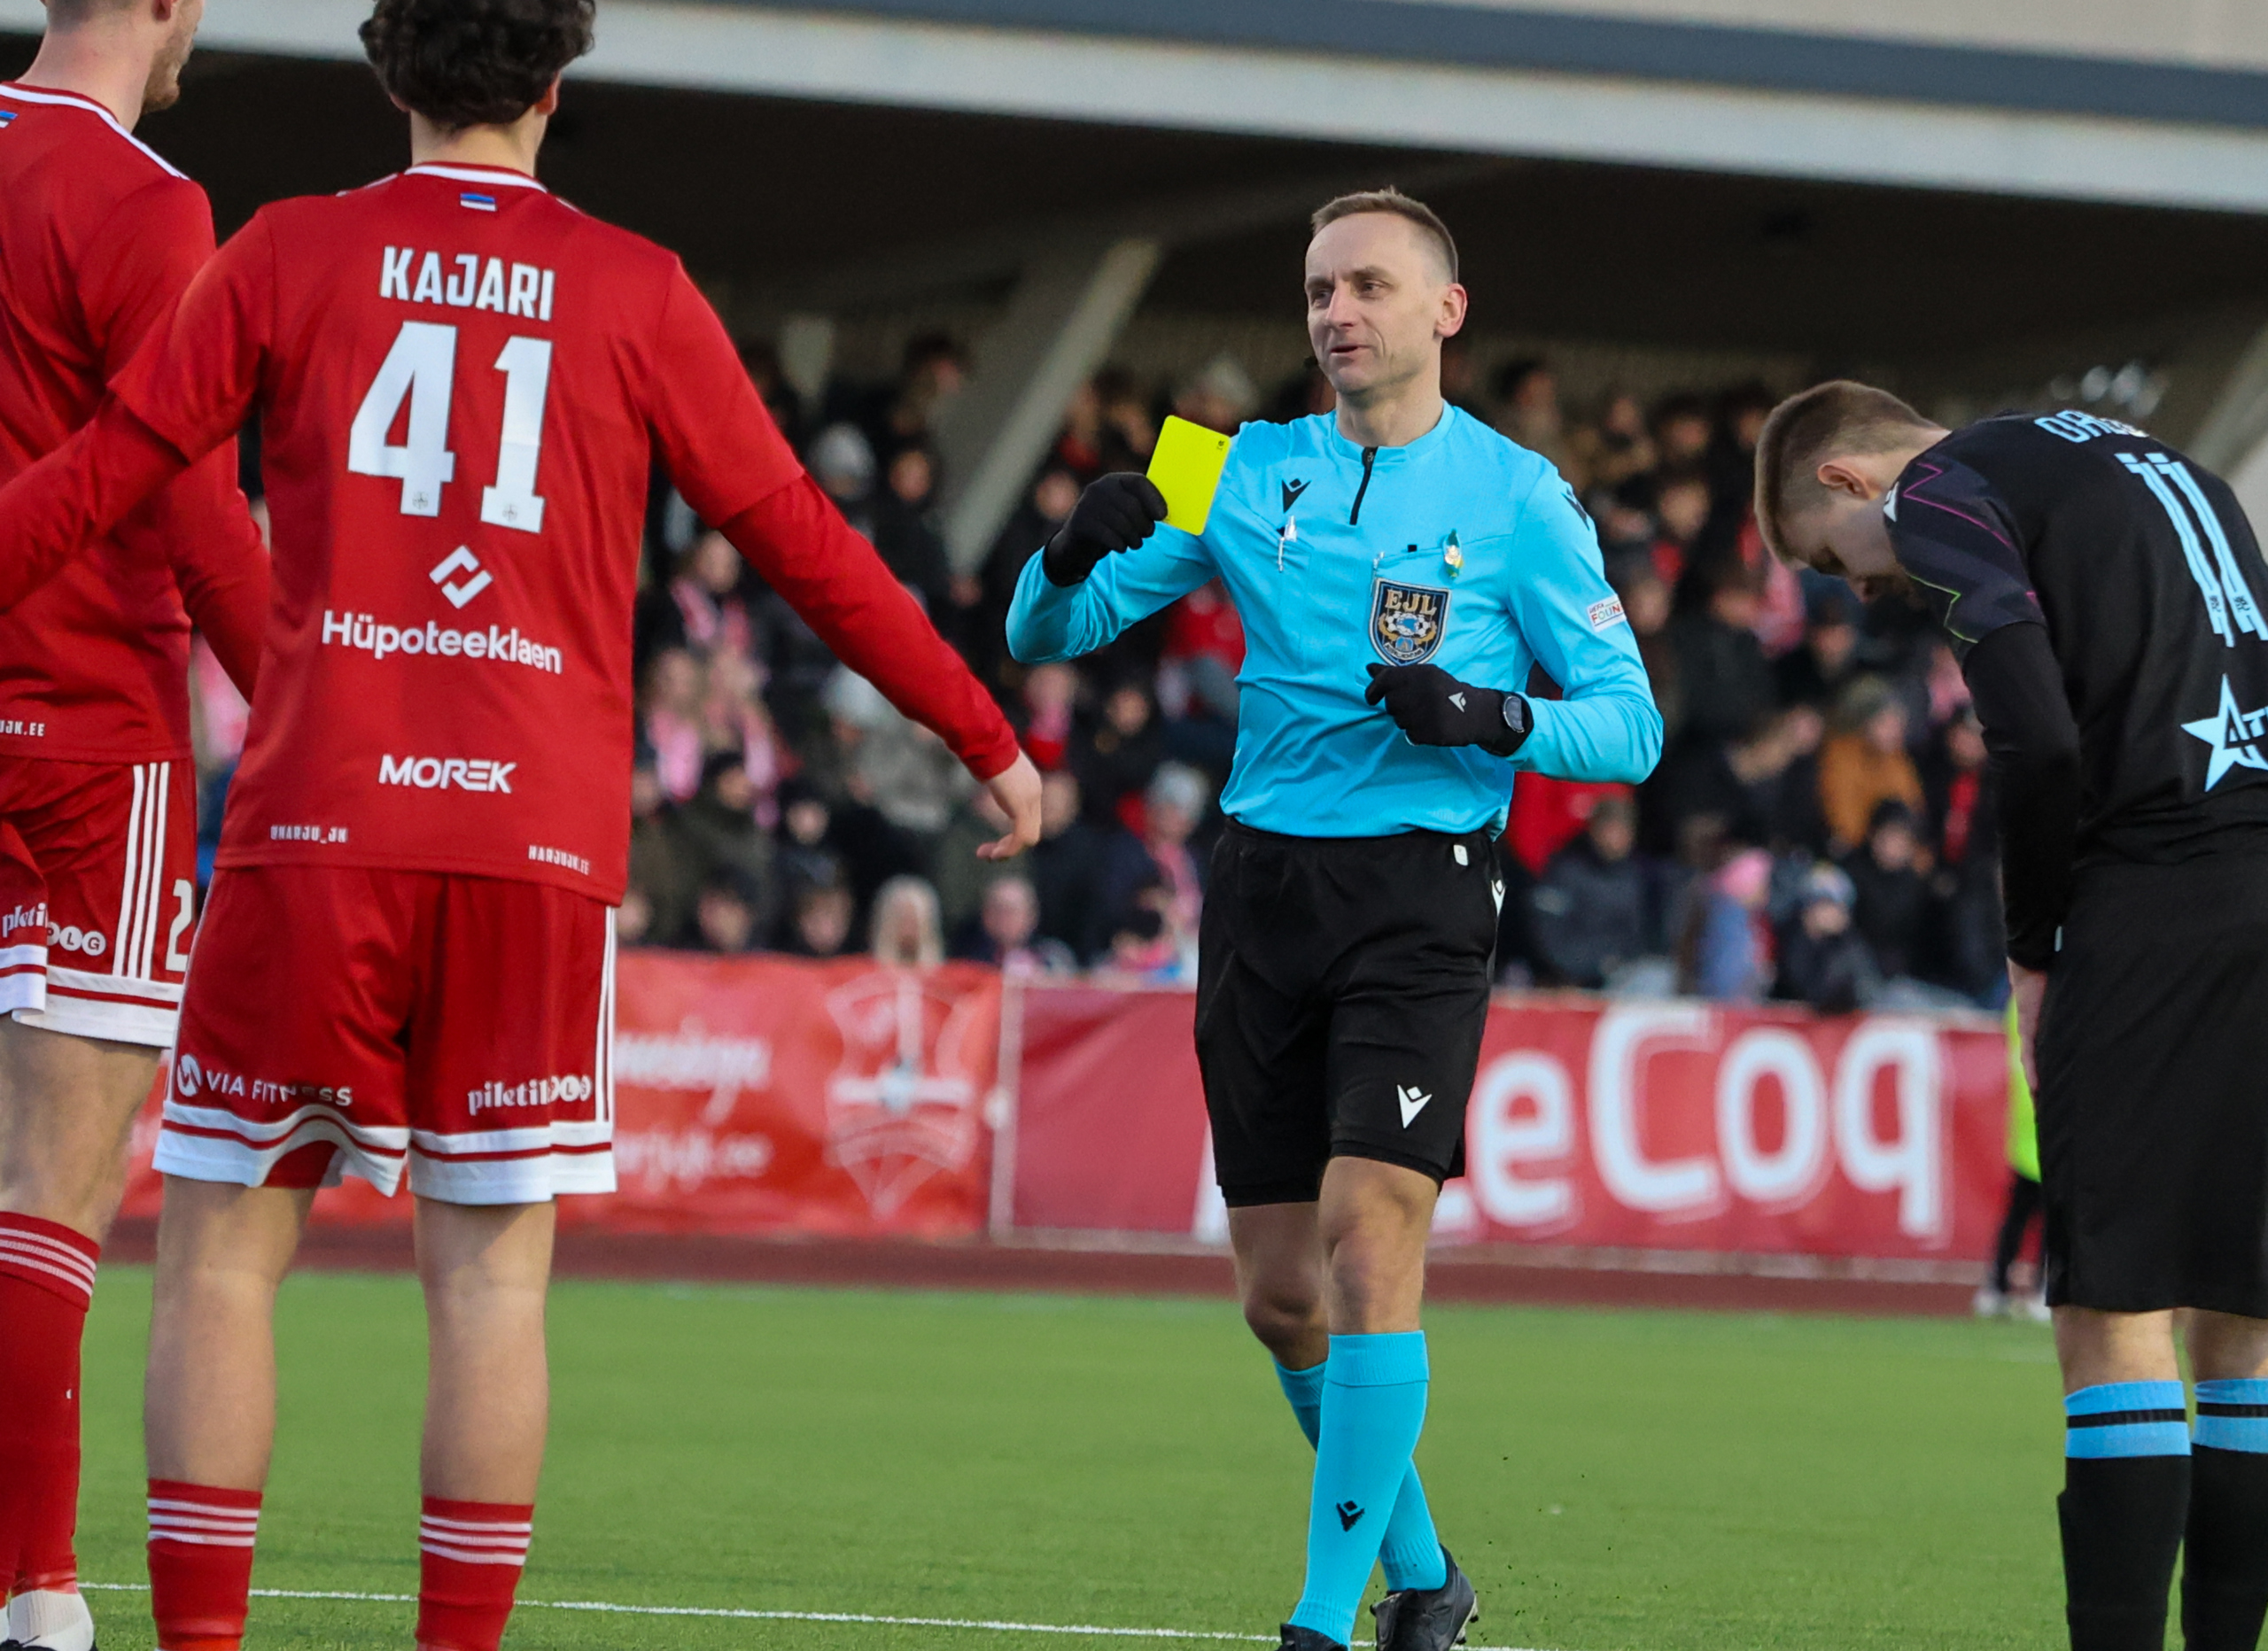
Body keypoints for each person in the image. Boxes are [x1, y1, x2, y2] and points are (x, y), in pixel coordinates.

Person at [0, 8, 1044, 1651]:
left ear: (388, 75)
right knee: (488, 1284)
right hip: (533, 852)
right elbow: (797, 534)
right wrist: (979, 729)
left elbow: (112, 468)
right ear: (556, 86)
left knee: (220, 1257)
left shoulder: (288, 251)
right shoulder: (638, 287)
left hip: (317, 827)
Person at [1007, 188, 1660, 1651]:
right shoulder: (1225, 461)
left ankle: (1318, 1622)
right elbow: (1044, 636)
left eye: (1368, 284)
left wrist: (1489, 714)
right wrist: (1064, 554)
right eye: (1318, 291)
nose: (1337, 312)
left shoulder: (1522, 495)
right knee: (1281, 1298)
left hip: (1421, 889)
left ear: (1447, 309)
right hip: (1260, 887)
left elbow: (1632, 728)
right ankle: (1426, 1575)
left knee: (1373, 1242)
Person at [1758, 379, 2268, 1651]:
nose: (1868, 589)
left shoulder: (1938, 489)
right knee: (2245, 1322)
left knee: (2116, 1310)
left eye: (1838, 564)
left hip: (2155, 897)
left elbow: (2037, 740)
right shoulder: (2158, 461)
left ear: (1845, 480)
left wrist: (2033, 943)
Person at [0, 6, 274, 1649]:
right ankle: (34, 1587)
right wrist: (305, 714)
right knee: (50, 1183)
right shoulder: (145, 200)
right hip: (87, 731)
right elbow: (189, 497)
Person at [1977, 996, 2048, 1321]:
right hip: (2041, 1124)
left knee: (2019, 1216)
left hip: (2027, 1127)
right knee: (2048, 1218)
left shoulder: (2019, 999)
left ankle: (1998, 1286)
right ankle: (2038, 1289)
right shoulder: (2039, 1000)